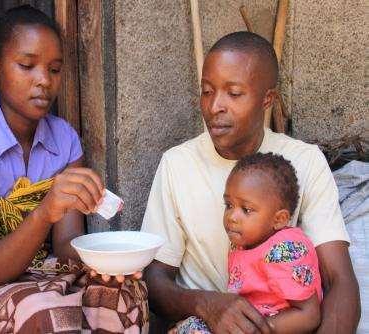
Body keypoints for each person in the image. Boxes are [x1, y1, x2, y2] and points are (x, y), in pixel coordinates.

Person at [0, 5, 147, 333]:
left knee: (126, 296)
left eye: (54, 69)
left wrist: (103, 263)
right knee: (43, 314)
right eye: (27, 66)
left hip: (45, 270)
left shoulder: (65, 140)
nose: (43, 81)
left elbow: (66, 243)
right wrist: (46, 211)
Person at [141, 31, 360, 333]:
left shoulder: (304, 161)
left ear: (267, 99)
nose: (215, 105)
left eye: (234, 93)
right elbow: (153, 280)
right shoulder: (177, 164)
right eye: (207, 91)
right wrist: (209, 305)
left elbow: (340, 280)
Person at [173, 153, 322, 334]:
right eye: (228, 205)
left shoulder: (284, 250)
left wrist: (260, 330)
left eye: (246, 209)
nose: (232, 217)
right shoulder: (245, 243)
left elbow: (309, 315)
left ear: (279, 219)